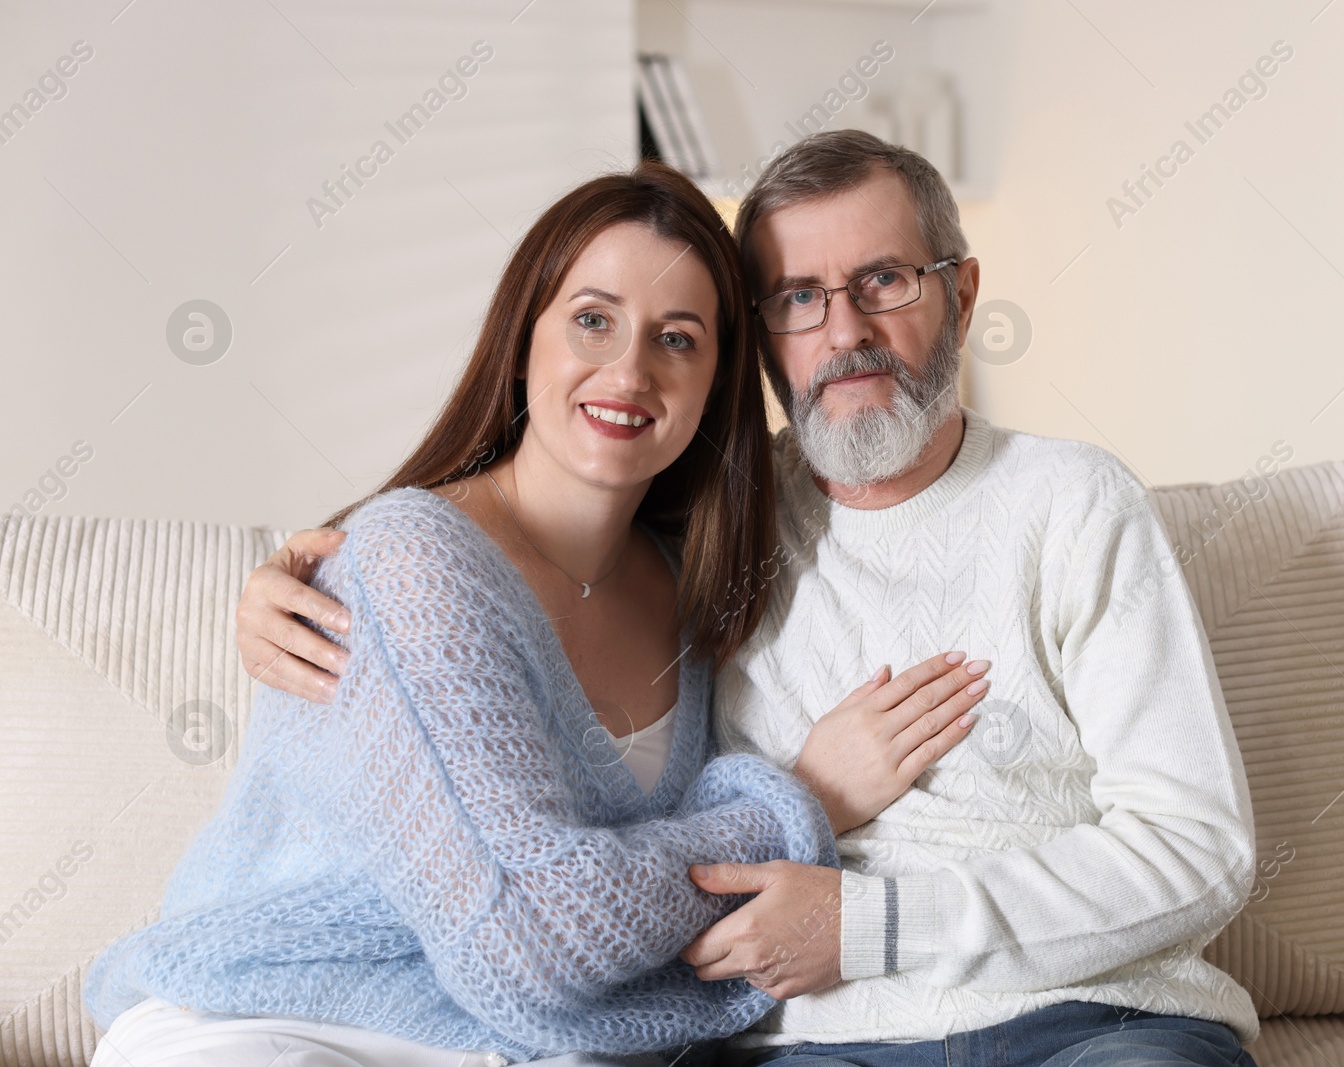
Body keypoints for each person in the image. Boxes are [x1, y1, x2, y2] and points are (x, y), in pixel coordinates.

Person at [239, 132, 1263, 1067]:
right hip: (821, 1042)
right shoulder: (714, 529)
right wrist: (296, 575)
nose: (845, 329)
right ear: (761, 338)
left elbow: (1198, 845)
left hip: (1101, 1019)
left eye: (884, 280)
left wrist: (873, 922)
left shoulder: (1072, 501)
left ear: (961, 290)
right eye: (797, 296)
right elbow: (493, 558)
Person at [83, 162, 992, 1067]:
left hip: (536, 1042)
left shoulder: (705, 583)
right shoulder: (412, 557)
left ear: (719, 379)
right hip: (275, 1015)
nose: (629, 370)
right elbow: (529, 932)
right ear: (526, 337)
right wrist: (808, 799)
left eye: (677, 338)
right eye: (592, 320)